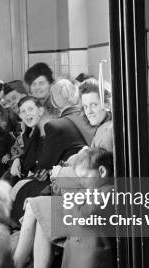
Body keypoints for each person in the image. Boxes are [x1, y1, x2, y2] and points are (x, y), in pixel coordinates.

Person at [9, 78, 96, 225]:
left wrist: (29, 177)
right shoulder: (88, 119)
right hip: (89, 178)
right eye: (22, 111)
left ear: (53, 101)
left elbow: (43, 165)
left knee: (20, 188)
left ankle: (19, 228)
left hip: (69, 183)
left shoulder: (55, 126)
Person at [5, 95, 44, 191]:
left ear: (40, 111)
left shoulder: (44, 132)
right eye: (23, 111)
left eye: (30, 109)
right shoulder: (26, 134)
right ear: (20, 116)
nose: (27, 114)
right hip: (25, 175)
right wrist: (17, 159)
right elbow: (21, 151)